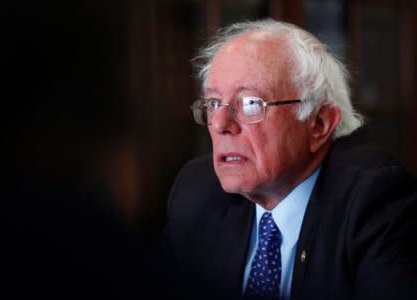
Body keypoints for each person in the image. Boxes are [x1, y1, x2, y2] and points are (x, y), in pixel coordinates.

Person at [158, 19, 417, 300]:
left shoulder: (374, 199)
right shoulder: (196, 191)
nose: (220, 123)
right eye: (213, 103)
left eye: (250, 103)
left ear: (318, 123)